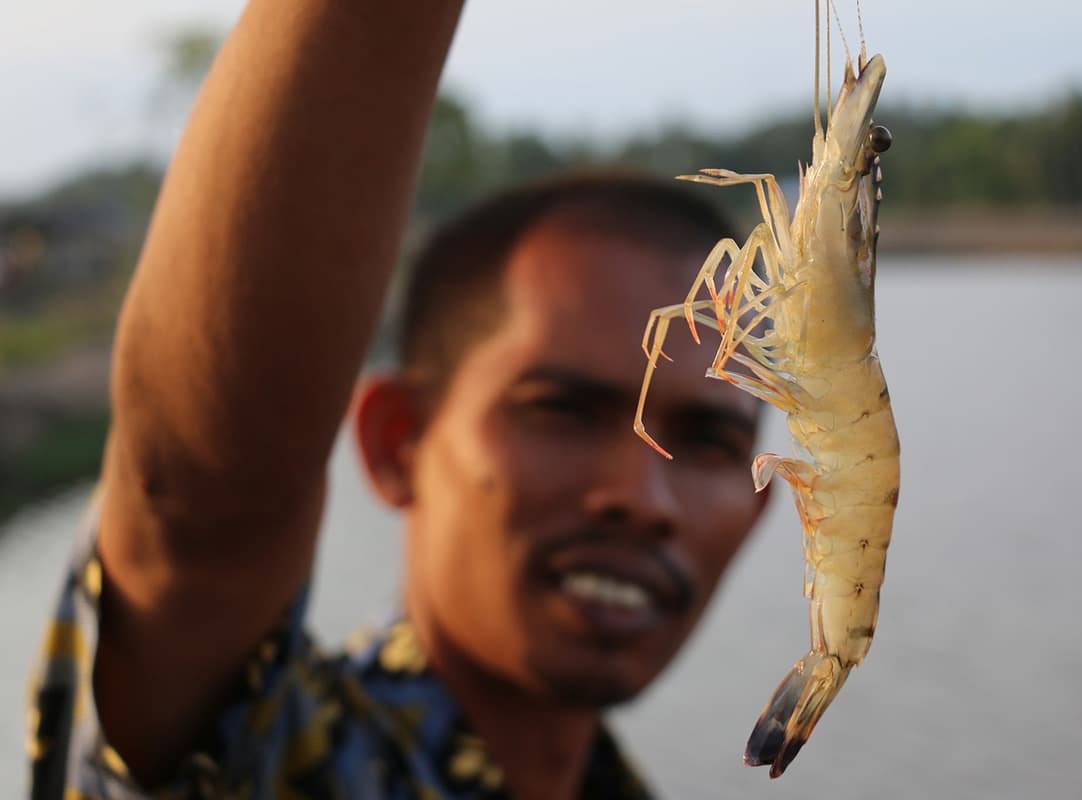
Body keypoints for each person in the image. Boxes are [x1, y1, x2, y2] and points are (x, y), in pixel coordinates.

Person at [27, 1, 771, 797]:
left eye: (707, 441)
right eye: (562, 410)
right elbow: (201, 500)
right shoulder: (281, 757)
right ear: (398, 439)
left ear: (765, 503)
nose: (643, 497)